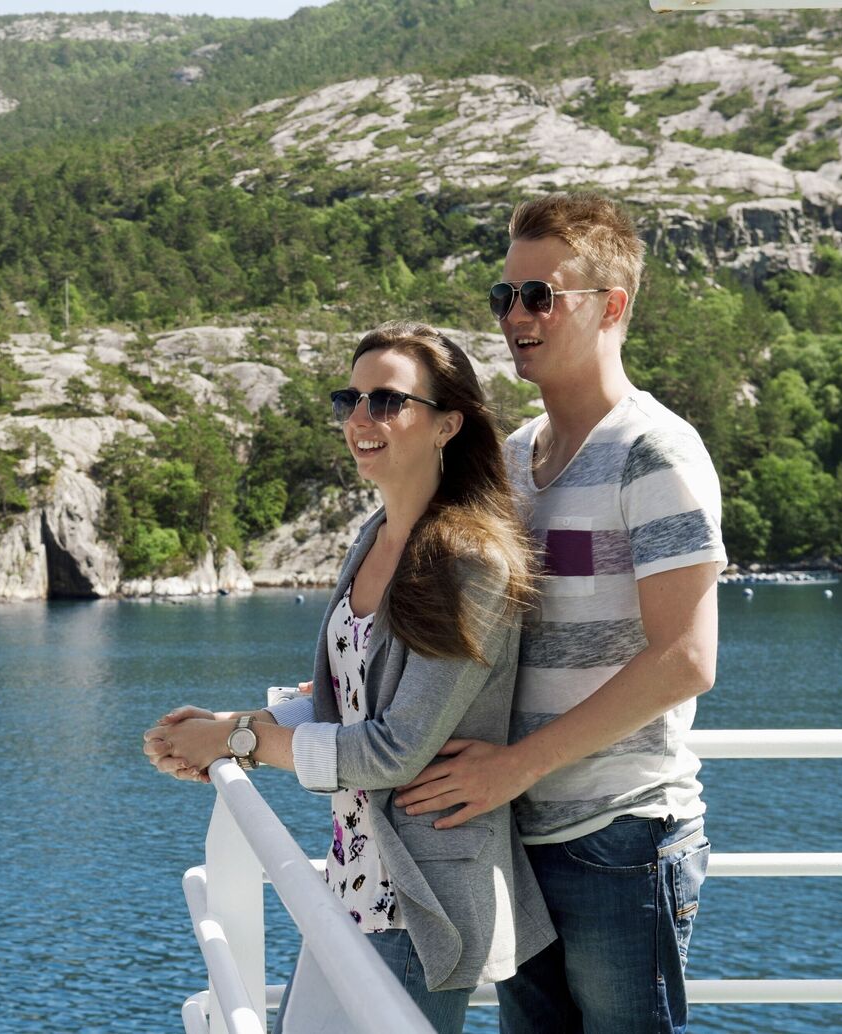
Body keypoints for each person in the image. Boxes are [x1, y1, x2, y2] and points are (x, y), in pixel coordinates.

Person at [143, 321, 554, 1034]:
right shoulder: (373, 536)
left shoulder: (471, 563)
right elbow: (346, 703)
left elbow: (392, 750)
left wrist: (235, 741)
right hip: (352, 884)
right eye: (351, 400)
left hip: (420, 902)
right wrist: (227, 728)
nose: (361, 419)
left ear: (447, 424)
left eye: (388, 401)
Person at [392, 193, 725, 1034]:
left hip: (619, 838)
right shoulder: (512, 459)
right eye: (505, 297)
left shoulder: (655, 453)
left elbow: (686, 659)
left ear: (612, 306)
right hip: (515, 837)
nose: (515, 316)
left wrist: (513, 767)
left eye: (541, 296)